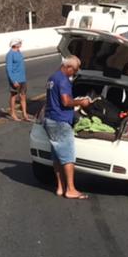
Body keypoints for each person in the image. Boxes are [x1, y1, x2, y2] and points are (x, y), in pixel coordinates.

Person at [44, 55, 94, 199]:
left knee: (57, 156)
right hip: (60, 122)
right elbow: (66, 102)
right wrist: (81, 102)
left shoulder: (52, 78)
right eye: (75, 70)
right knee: (67, 157)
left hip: (50, 119)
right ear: (68, 67)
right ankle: (71, 189)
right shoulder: (63, 80)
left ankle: (60, 187)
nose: (75, 73)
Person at [6, 38, 30, 121]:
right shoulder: (10, 54)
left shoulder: (19, 52)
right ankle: (13, 113)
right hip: (15, 79)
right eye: (19, 43)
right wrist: (13, 80)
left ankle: (24, 114)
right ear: (15, 44)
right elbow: (9, 69)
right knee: (14, 95)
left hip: (22, 78)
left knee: (23, 96)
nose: (20, 44)